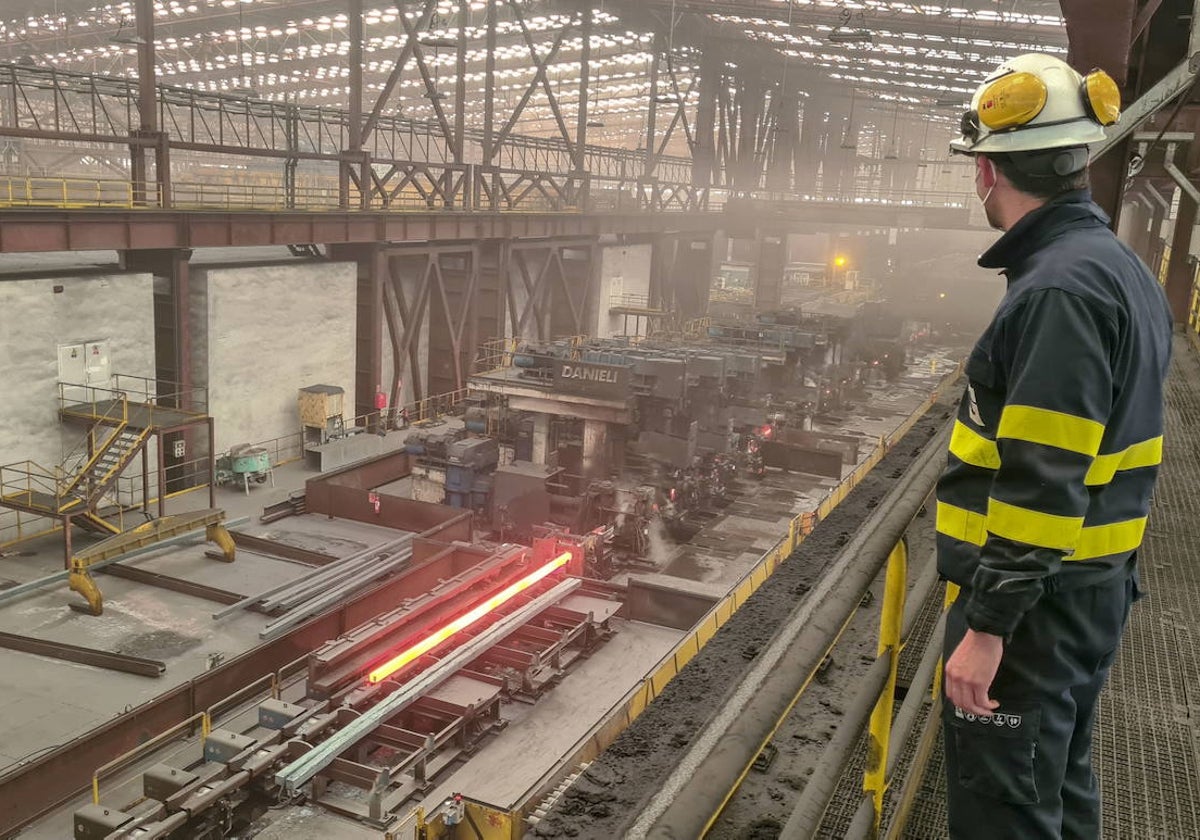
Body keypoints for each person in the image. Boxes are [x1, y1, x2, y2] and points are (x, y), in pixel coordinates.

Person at [936, 53, 1173, 839]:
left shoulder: (1057, 294)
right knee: (1058, 790)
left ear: (986, 172)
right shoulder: (1119, 270)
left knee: (1006, 811)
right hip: (1084, 593)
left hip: (1034, 613)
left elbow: (1043, 480)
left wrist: (988, 627)